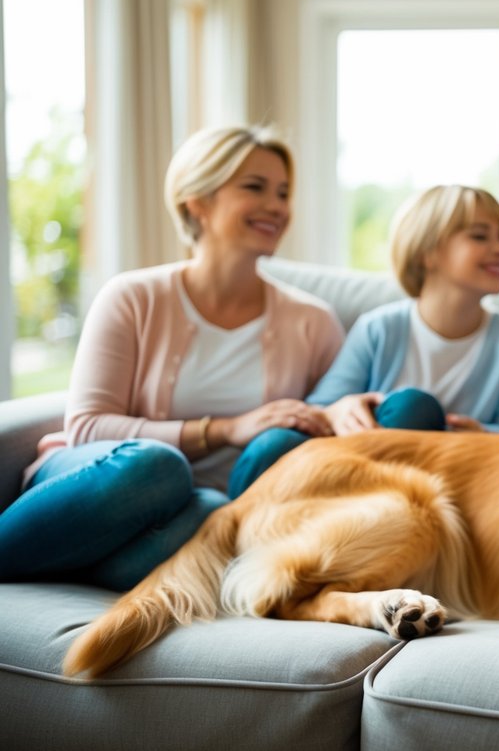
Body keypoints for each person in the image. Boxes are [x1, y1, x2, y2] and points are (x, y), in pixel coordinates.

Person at [0, 125, 344, 590]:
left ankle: (85, 562)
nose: (278, 207)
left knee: (213, 514)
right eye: (254, 187)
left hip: (210, 513)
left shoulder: (313, 321)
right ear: (195, 202)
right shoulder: (132, 296)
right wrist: (225, 429)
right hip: (111, 483)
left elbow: (331, 432)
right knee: (159, 467)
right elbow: (87, 426)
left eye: (283, 192)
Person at [228, 184, 499, 497]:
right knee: (275, 443)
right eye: (480, 236)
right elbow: (320, 408)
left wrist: (480, 434)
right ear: (428, 253)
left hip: (448, 472)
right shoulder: (379, 327)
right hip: (358, 459)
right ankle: (232, 523)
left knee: (414, 408)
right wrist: (344, 408)